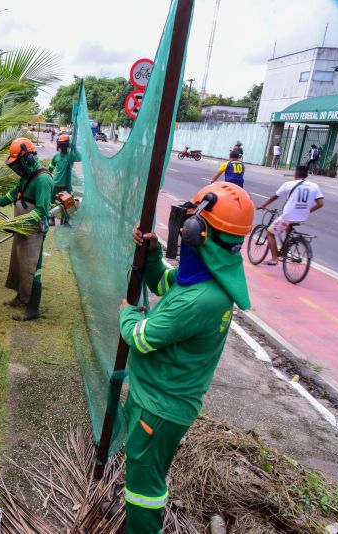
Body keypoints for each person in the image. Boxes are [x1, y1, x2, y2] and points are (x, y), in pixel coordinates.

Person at [119, 182, 254, 533]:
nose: (183, 225)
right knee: (144, 471)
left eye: (189, 220)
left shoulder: (202, 300)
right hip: (159, 397)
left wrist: (126, 313)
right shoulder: (208, 274)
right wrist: (152, 253)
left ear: (198, 231)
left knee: (143, 486)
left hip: (160, 407)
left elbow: (141, 337)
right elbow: (166, 283)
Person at [0, 137, 54, 321]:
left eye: (20, 163)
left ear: (28, 159)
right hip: (22, 227)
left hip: (34, 230)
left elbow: (41, 211)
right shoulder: (27, 176)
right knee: (18, 262)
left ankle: (33, 308)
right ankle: (21, 297)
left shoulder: (43, 179)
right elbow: (15, 193)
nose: (18, 167)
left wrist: (17, 224)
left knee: (32, 266)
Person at [256, 165, 324, 266]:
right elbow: (320, 203)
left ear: (295, 174)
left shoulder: (289, 184)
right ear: (307, 175)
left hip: (288, 216)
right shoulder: (314, 186)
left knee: (270, 232)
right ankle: (286, 247)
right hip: (302, 217)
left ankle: (274, 258)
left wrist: (263, 205)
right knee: (287, 226)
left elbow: (275, 197)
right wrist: (307, 211)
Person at [48, 134, 76, 226]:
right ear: (58, 146)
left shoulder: (70, 157)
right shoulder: (56, 157)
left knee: (67, 204)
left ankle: (66, 221)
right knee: (51, 203)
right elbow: (50, 170)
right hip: (55, 184)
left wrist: (73, 147)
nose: (63, 147)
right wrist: (48, 178)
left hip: (66, 186)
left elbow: (80, 157)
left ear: (68, 146)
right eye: (61, 145)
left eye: (65, 145)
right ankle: (51, 219)